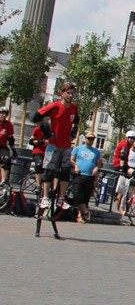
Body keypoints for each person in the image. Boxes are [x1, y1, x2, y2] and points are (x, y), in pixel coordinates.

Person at [33, 82, 79, 210]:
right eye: (68, 93)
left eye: (72, 93)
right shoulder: (55, 106)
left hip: (66, 145)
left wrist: (73, 133)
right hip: (53, 145)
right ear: (62, 94)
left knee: (65, 172)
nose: (70, 96)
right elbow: (36, 117)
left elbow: (76, 122)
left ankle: (61, 198)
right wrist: (47, 133)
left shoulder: (74, 108)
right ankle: (45, 197)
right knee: (49, 171)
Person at [69, 131, 102, 223]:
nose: (90, 140)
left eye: (92, 139)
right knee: (77, 194)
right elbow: (71, 159)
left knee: (86, 197)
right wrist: (75, 166)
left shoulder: (96, 152)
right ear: (85, 139)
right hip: (79, 174)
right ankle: (86, 212)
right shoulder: (78, 148)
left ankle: (81, 215)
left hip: (89, 176)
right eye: (89, 138)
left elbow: (99, 163)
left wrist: (96, 168)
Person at [28, 119, 50, 189]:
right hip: (38, 151)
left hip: (49, 152)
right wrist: (41, 142)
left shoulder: (53, 131)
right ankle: (38, 185)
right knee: (39, 164)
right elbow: (31, 141)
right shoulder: (37, 129)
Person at [0, 106, 16, 185]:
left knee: (7, 159)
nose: (3, 115)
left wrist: (14, 151)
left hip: (2, 146)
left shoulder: (8, 124)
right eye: (2, 113)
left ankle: (3, 181)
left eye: (5, 114)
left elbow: (10, 139)